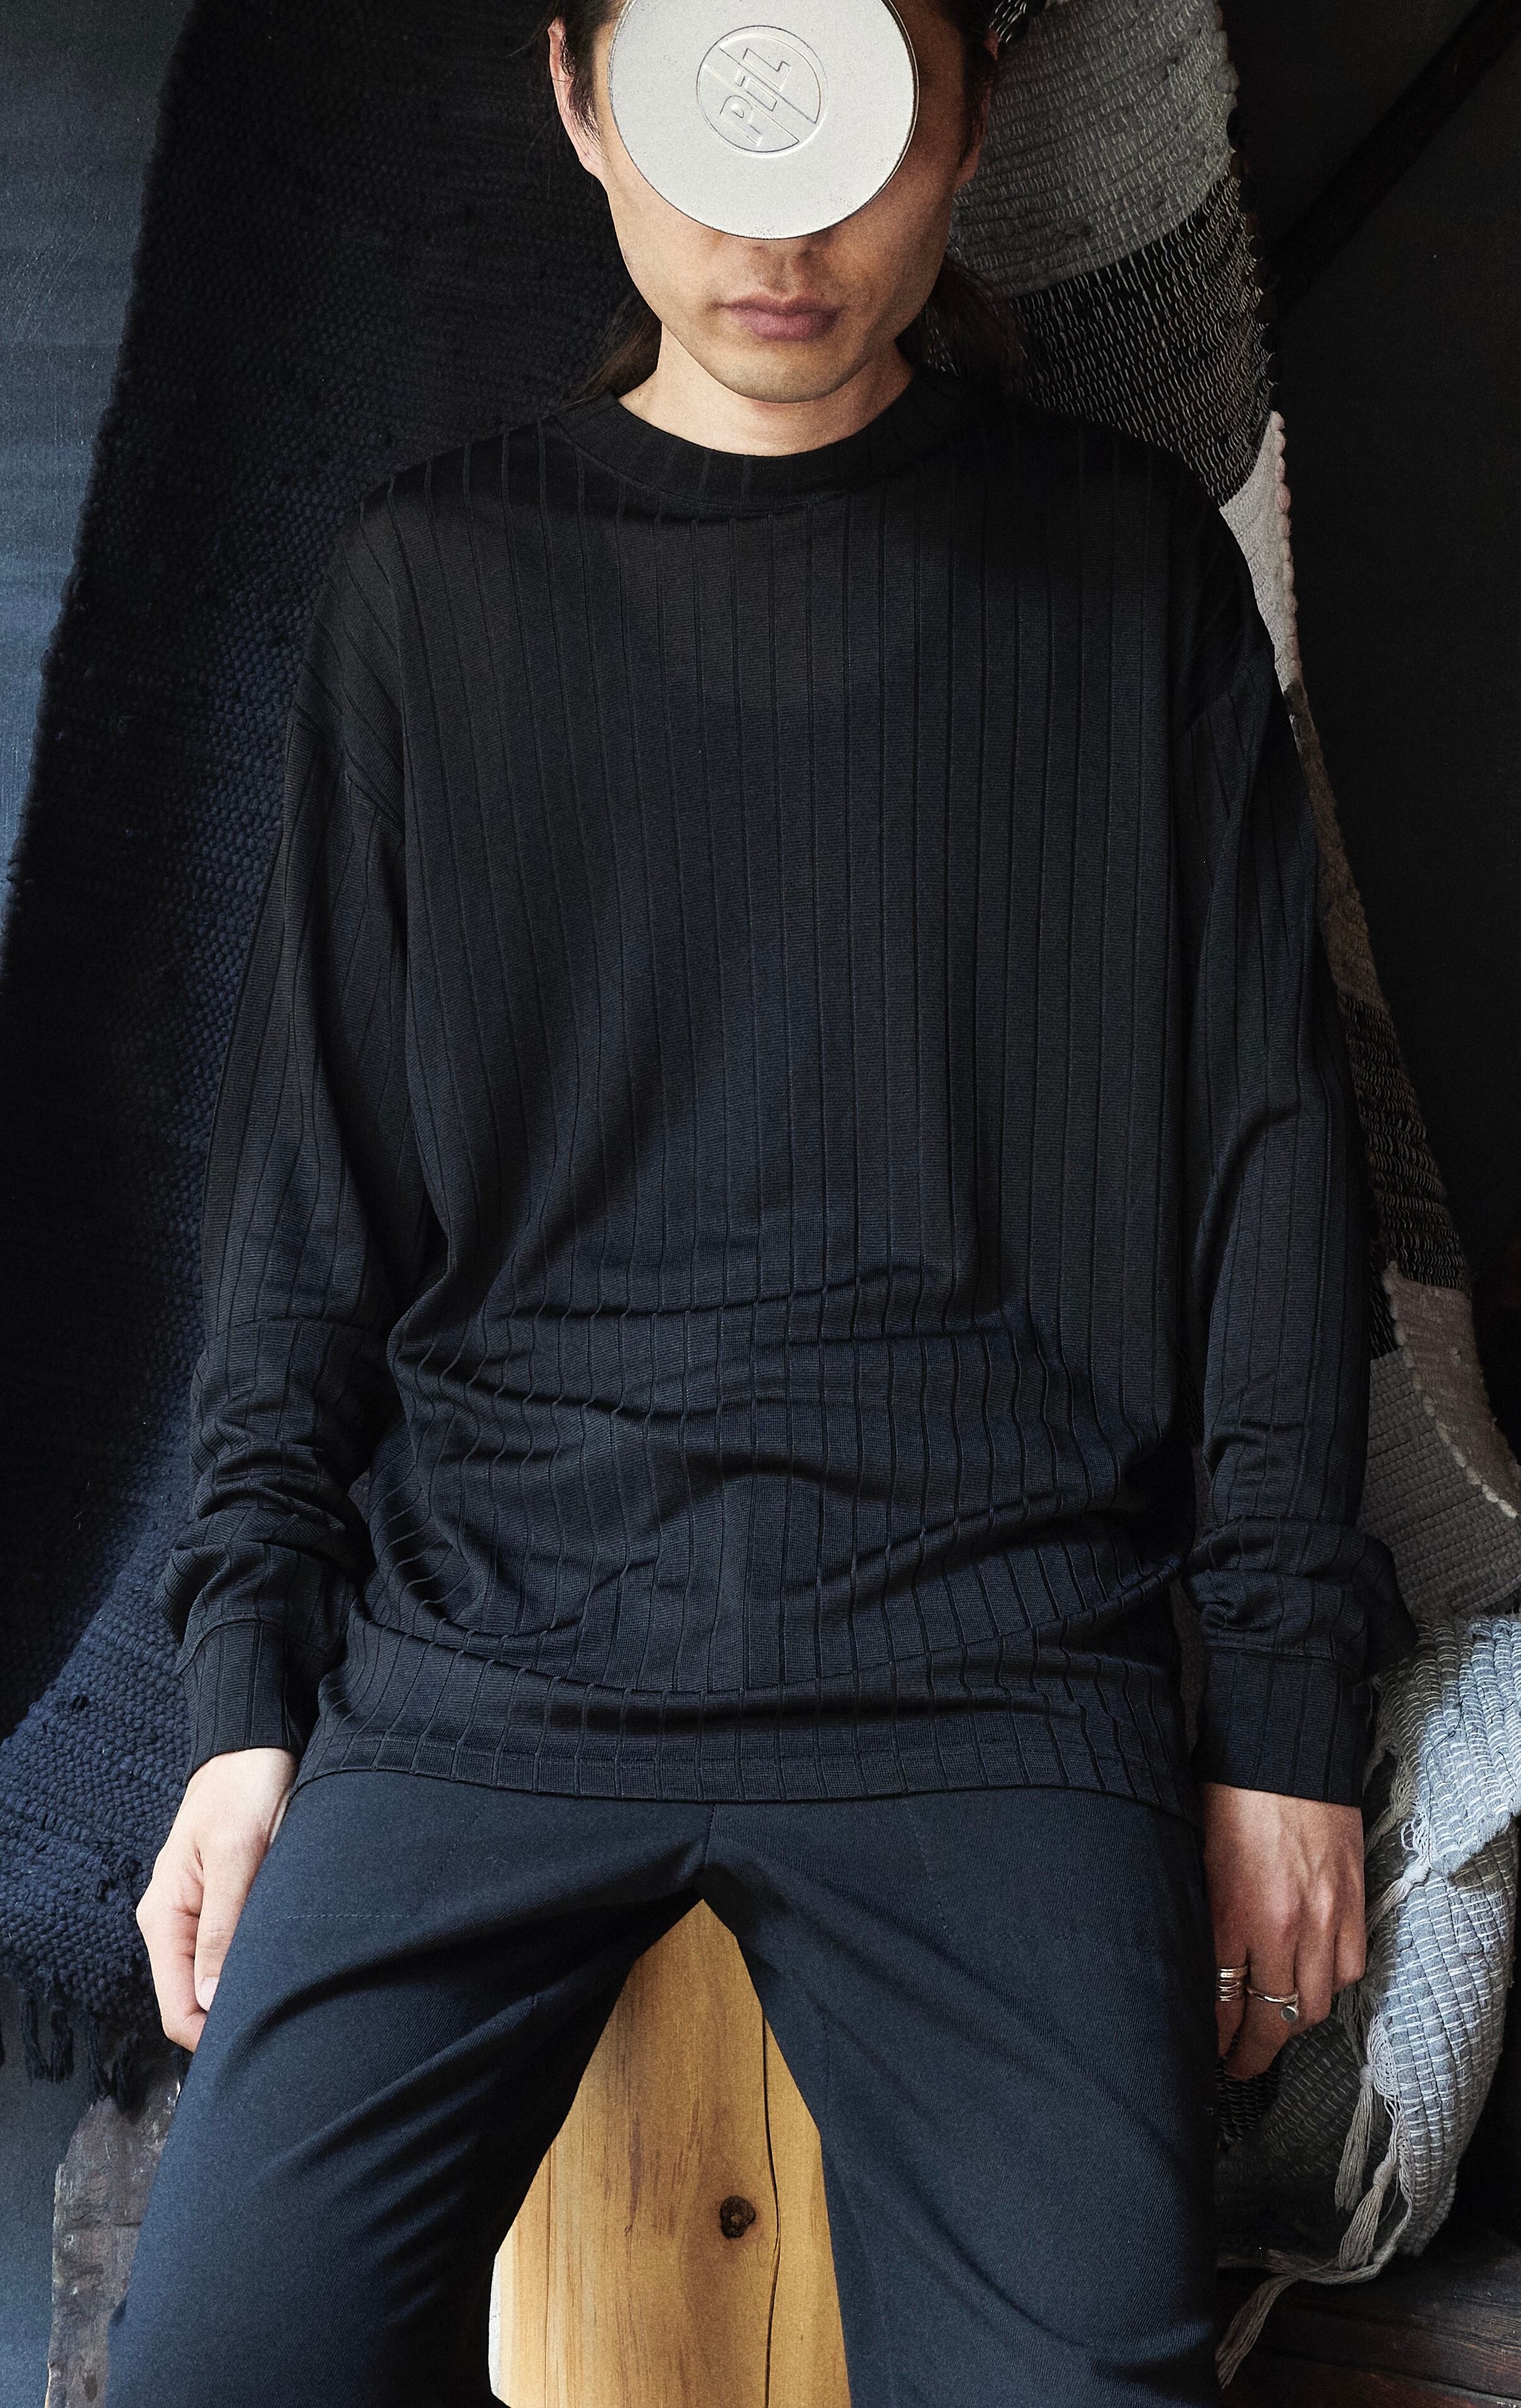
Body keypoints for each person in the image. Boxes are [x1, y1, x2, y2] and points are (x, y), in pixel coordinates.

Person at [109, 2, 1417, 2402]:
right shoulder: (431, 588)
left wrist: (1281, 1716)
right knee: (213, 2367)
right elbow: (301, 1219)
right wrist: (236, 1705)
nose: (778, 227)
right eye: (717, 111)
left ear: (969, 114)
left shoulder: (1123, 574)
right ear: (582, 96)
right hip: (492, 1660)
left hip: (992, 1668)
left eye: (851, 118)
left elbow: (1268, 1168)